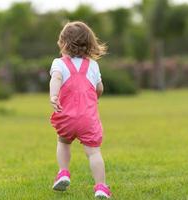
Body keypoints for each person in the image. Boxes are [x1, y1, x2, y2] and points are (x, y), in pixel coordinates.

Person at [49, 21, 112, 198]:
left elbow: (56, 78)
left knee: (63, 141)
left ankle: (63, 172)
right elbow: (99, 88)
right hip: (88, 117)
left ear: (63, 43)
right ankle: (101, 187)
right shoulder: (93, 65)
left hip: (66, 116)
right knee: (93, 152)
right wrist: (95, 97)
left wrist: (54, 96)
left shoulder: (59, 63)